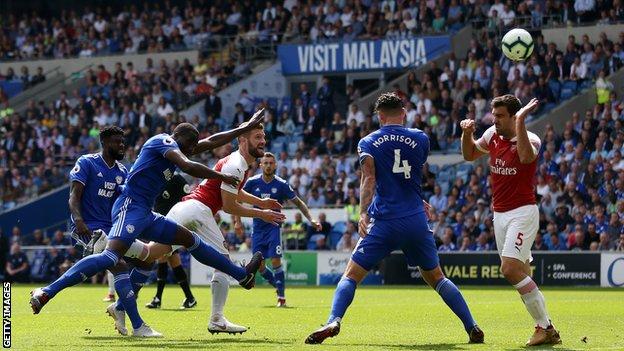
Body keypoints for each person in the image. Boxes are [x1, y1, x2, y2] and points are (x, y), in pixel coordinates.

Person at [30, 112, 268, 338]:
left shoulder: (177, 149)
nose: (195, 149)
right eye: (192, 145)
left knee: (181, 244)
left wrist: (245, 127)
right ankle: (46, 292)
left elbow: (211, 141)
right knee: (112, 258)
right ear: (183, 140)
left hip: (145, 212)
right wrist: (222, 177)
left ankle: (242, 275)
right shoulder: (162, 141)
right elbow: (187, 165)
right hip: (130, 207)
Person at [305, 93, 483, 344]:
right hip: (415, 219)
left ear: (379, 116)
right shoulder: (421, 138)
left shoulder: (368, 141)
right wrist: (417, 199)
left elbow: (369, 178)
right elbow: (411, 177)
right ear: (403, 112)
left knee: (351, 276)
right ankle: (471, 325)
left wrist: (363, 212)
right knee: (437, 277)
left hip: (385, 220)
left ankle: (334, 319)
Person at [141, 122, 285, 334]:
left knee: (151, 253)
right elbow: (228, 205)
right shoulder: (236, 164)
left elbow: (234, 192)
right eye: (257, 137)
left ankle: (114, 272)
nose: (263, 141)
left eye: (263, 137)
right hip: (199, 211)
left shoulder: (239, 164)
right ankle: (217, 318)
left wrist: (262, 202)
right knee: (223, 262)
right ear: (242, 140)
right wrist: (261, 213)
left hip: (185, 208)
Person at [460, 95, 561, 346]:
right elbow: (470, 154)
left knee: (509, 269)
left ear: (514, 116)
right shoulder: (492, 134)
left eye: (500, 116)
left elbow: (526, 158)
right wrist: (466, 133)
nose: (494, 120)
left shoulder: (531, 138)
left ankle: (545, 327)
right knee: (522, 272)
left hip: (523, 212)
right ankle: (546, 329)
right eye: (493, 116)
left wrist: (522, 122)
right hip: (500, 214)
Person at [242, 152, 321, 307]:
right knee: (260, 265)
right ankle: (277, 285)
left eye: (271, 163)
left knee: (276, 260)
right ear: (260, 165)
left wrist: (311, 219)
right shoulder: (252, 183)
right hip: (257, 229)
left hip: (273, 228)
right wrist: (237, 222)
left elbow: (299, 203)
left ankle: (282, 298)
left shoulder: (281, 184)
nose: (268, 165)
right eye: (265, 163)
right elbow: (237, 198)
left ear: (275, 165)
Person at [67, 126, 128, 304]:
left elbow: (121, 203)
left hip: (110, 227)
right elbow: (73, 197)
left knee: (142, 259)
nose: (122, 145)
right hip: (87, 227)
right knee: (119, 263)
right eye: (117, 142)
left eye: (123, 141)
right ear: (105, 142)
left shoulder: (123, 171)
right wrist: (79, 221)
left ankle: (119, 304)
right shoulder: (87, 162)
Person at [145, 174, 197, 309]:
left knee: (161, 258)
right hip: (159, 225)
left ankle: (158, 299)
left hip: (171, 226)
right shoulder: (155, 178)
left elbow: (188, 200)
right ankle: (189, 298)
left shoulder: (177, 180)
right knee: (174, 262)